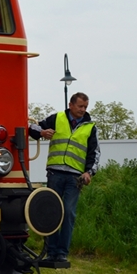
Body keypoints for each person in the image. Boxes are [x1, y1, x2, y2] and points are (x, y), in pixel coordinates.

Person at [29, 92, 100, 263]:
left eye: (85, 107)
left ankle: (62, 253)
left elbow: (95, 154)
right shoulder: (57, 118)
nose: (83, 110)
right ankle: (51, 252)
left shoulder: (91, 127)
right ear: (71, 105)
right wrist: (43, 132)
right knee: (51, 211)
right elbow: (32, 127)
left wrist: (89, 172)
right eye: (80, 106)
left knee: (68, 212)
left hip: (75, 177)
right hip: (55, 173)